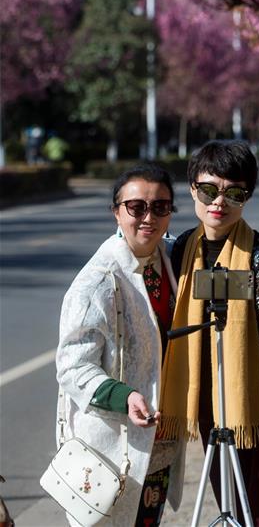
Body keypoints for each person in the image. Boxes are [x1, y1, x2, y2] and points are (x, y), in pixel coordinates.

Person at [161, 140, 259, 527]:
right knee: (236, 519)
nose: (219, 202)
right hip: (213, 411)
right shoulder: (177, 254)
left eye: (235, 193)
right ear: (192, 188)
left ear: (247, 198)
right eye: (209, 190)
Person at [54, 163, 185, 526]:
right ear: (116, 211)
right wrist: (123, 396)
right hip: (109, 453)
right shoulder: (96, 284)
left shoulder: (172, 260)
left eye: (160, 207)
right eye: (136, 207)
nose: (148, 217)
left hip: (158, 446)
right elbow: (71, 367)